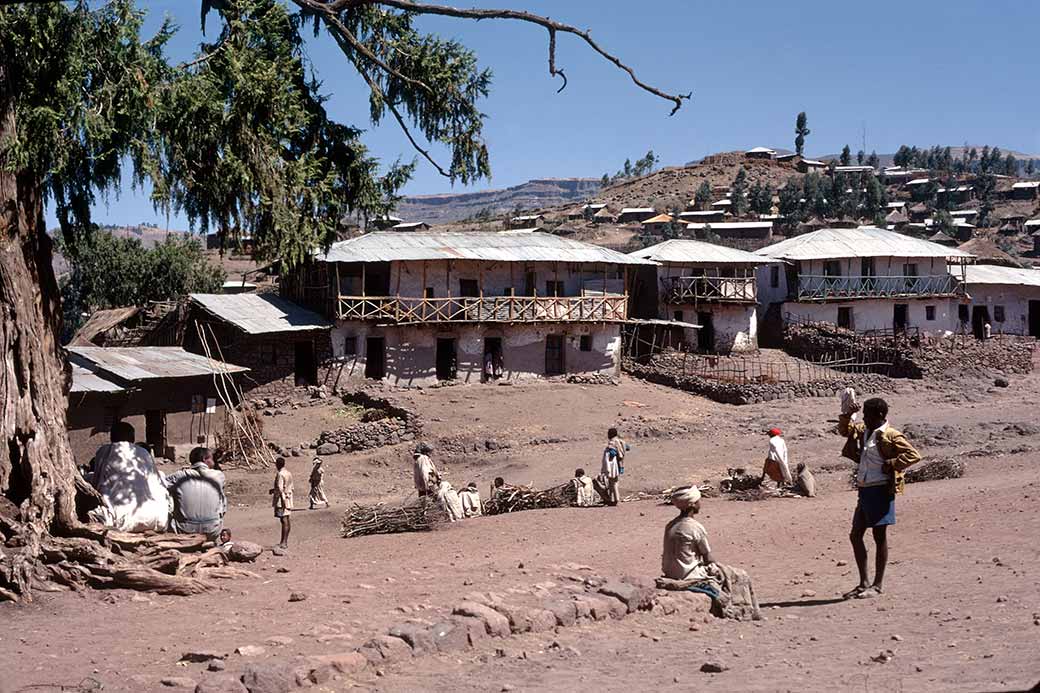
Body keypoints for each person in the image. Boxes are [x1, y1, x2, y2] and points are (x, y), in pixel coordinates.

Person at [838, 396, 921, 600]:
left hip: (881, 489)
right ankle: (864, 582)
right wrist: (848, 414)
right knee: (855, 535)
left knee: (879, 537)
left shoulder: (890, 435)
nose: (864, 418)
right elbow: (844, 431)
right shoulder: (863, 431)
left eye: (868, 414)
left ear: (881, 415)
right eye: (864, 414)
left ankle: (877, 584)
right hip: (865, 488)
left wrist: (892, 463)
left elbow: (913, 455)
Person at [86, 422, 169, 532]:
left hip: (119, 520)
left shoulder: (105, 451)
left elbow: (95, 485)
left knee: (92, 514)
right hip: (155, 517)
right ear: (133, 438)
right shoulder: (144, 452)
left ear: (111, 437)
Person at [163, 446, 227, 540]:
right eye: (212, 458)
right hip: (212, 530)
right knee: (220, 496)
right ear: (205, 459)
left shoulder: (180, 476)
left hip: (184, 530)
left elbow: (160, 483)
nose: (214, 461)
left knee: (169, 494)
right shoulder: (219, 476)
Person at [661, 486, 715, 581]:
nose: (700, 503)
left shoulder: (670, 525)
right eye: (698, 501)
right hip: (689, 574)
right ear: (693, 504)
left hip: (669, 572)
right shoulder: (695, 527)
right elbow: (708, 558)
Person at [271, 456, 294, 549]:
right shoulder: (288, 473)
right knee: (287, 519)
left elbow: (281, 489)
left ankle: (283, 542)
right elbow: (290, 486)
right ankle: (285, 541)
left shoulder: (280, 474)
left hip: (282, 499)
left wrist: (283, 500)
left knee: (283, 520)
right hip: (288, 497)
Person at [600, 427, 626, 506]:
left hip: (612, 465)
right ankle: (612, 499)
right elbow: (626, 447)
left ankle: (616, 500)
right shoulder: (619, 441)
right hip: (619, 464)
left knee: (613, 483)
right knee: (614, 482)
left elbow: (612, 453)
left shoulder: (612, 443)